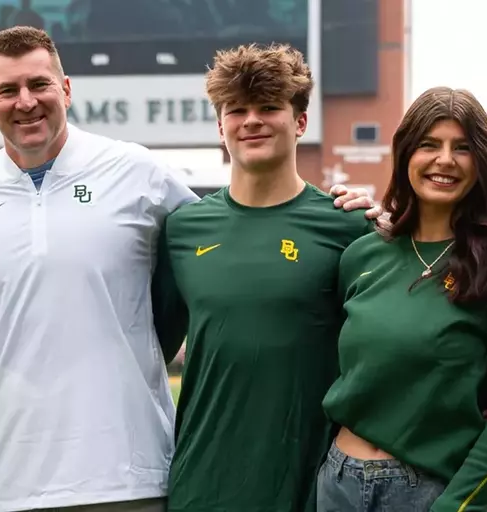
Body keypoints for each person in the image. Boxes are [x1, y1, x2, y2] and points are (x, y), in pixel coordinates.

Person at [0, 27, 380, 512]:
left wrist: (352, 209)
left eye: (39, 84)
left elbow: (243, 224)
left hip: (129, 475)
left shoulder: (137, 172)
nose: (25, 101)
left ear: (67, 89)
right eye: (7, 90)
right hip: (4, 481)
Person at [151, 43, 382, 512]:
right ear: (221, 126)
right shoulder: (182, 229)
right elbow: (144, 348)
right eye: (236, 110)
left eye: (269, 107)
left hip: (311, 488)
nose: (251, 120)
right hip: (202, 485)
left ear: (300, 121)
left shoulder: (349, 225)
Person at [317, 87, 487, 512]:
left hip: (432, 492)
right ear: (406, 153)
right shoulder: (361, 255)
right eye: (429, 144)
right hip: (339, 484)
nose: (445, 159)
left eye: (462, 148)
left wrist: (456, 506)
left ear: (482, 163)